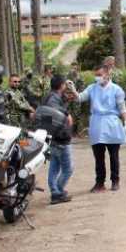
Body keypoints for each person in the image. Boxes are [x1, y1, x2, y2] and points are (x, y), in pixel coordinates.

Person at [72, 65, 126, 192]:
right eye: (96, 75)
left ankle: (115, 180)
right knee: (98, 156)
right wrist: (73, 90)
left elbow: (122, 107)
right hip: (97, 123)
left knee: (114, 155)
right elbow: (80, 98)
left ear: (107, 74)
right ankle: (100, 182)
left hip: (112, 123)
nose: (97, 77)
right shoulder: (92, 88)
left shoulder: (116, 89)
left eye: (100, 74)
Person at [42, 75, 74, 204]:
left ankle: (55, 191)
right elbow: (55, 114)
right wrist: (67, 115)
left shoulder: (51, 96)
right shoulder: (53, 99)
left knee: (54, 166)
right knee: (68, 168)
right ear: (61, 85)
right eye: (65, 84)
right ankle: (57, 192)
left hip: (53, 136)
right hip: (59, 137)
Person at [66, 62, 85, 136]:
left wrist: (76, 94)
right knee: (68, 113)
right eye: (72, 66)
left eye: (75, 66)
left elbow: (82, 87)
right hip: (68, 98)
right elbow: (64, 86)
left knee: (77, 114)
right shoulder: (67, 76)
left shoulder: (79, 77)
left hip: (76, 97)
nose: (73, 68)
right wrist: (68, 95)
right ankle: (69, 131)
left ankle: (77, 131)